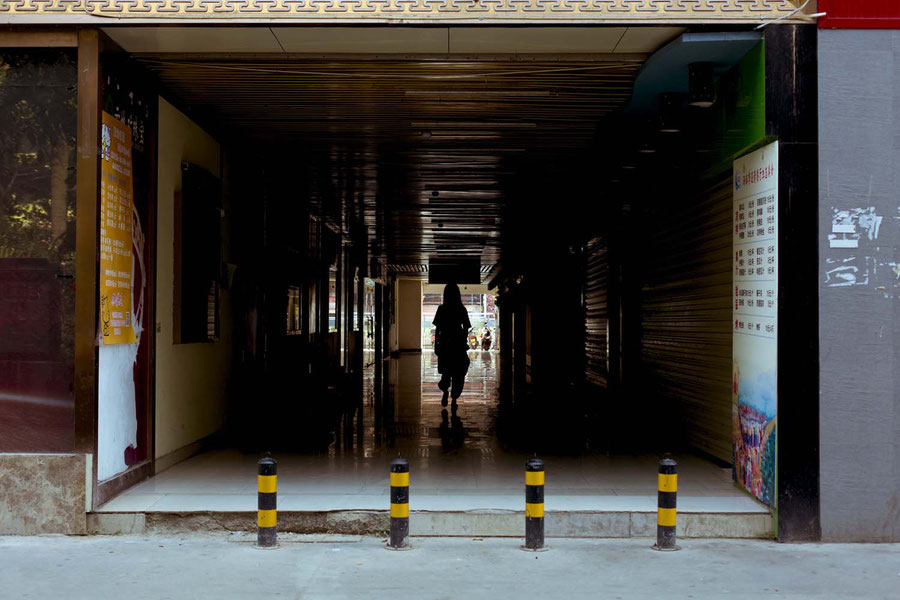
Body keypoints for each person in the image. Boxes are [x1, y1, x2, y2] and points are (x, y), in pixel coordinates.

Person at [432, 282, 471, 407]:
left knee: (446, 371)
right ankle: (454, 399)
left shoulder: (442, 309)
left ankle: (445, 391)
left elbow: (438, 329)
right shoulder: (461, 309)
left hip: (445, 345)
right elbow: (466, 327)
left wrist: (436, 345)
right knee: (458, 372)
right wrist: (463, 339)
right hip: (458, 345)